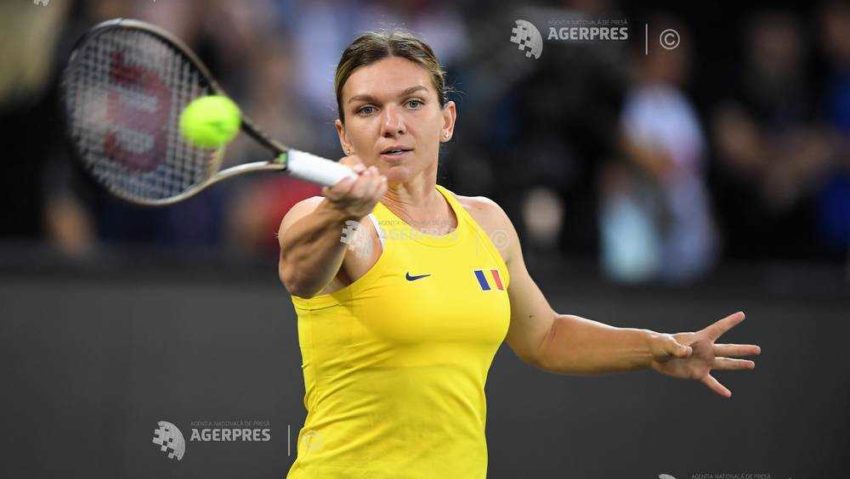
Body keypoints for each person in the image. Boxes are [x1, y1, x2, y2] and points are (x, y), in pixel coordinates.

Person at [277, 31, 761, 479]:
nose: (391, 124)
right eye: (367, 110)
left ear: (446, 121)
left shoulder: (487, 222)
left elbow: (545, 336)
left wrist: (656, 347)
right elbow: (301, 274)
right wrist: (342, 212)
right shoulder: (326, 218)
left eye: (412, 103)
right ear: (344, 136)